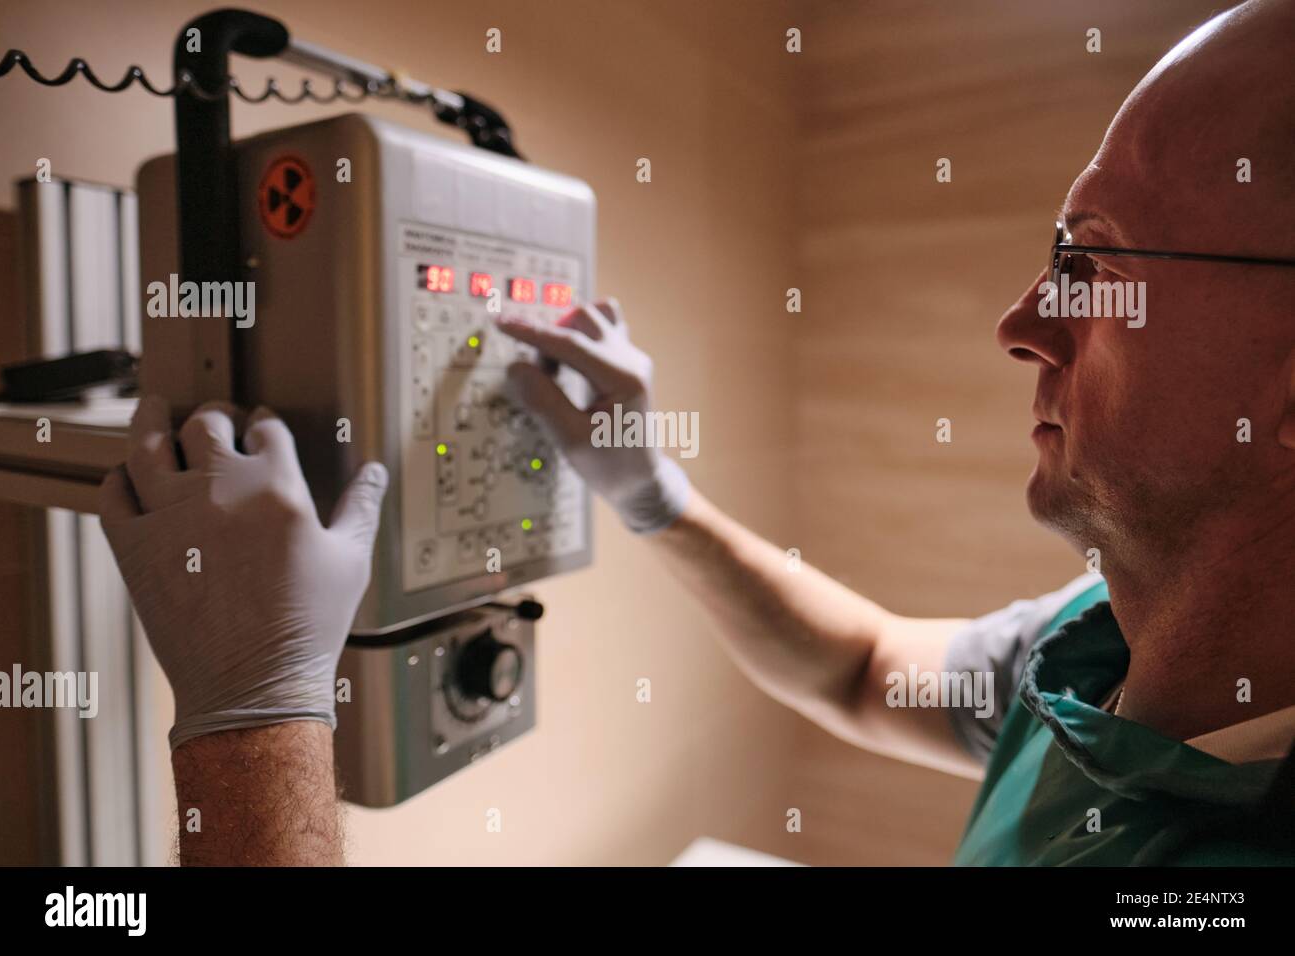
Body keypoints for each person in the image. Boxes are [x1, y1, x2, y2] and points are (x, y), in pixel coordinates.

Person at [100, 0, 1295, 865]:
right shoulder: (1092, 646)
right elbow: (860, 667)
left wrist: (251, 716)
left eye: (1091, 260)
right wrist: (651, 494)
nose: (1021, 321)